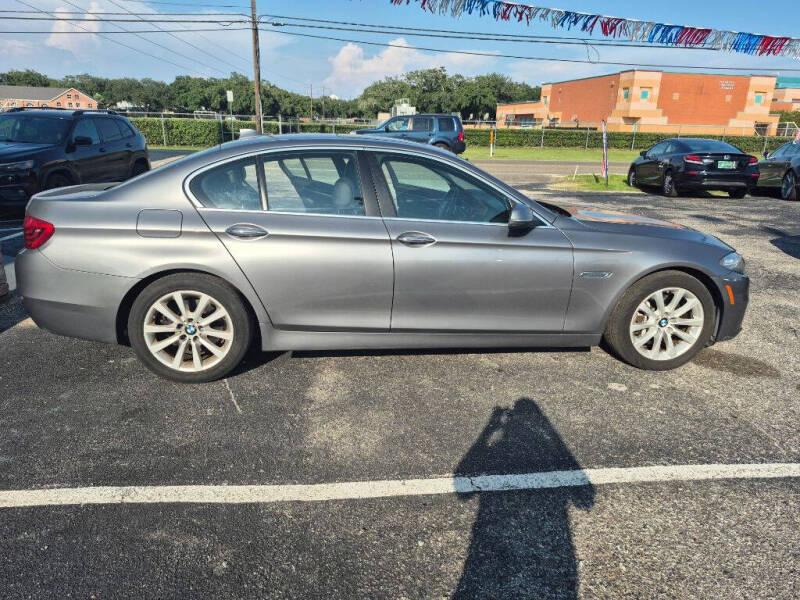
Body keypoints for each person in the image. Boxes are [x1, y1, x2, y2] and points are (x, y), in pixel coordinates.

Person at [454, 398, 594, 599]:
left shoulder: (499, 449)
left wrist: (490, 428)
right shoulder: (545, 449)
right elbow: (585, 497)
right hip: (551, 555)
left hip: (492, 547)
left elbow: (463, 490)